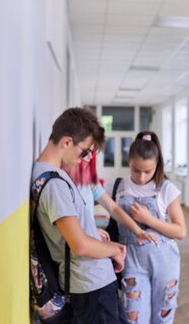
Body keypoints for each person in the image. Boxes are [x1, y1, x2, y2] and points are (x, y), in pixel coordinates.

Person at [32, 107, 127, 323]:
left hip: (94, 281)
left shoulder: (55, 175)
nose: (86, 158)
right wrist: (115, 249)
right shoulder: (54, 184)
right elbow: (80, 245)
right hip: (90, 284)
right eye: (84, 151)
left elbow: (74, 232)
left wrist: (95, 232)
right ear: (67, 142)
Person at [107, 131, 187, 323]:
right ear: (128, 161)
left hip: (165, 261)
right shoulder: (116, 187)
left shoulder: (166, 188)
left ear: (157, 165)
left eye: (148, 171)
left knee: (163, 316)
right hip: (132, 262)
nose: (141, 177)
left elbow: (180, 231)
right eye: (136, 170)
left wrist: (148, 219)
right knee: (133, 316)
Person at [62, 148, 157, 245]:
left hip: (86, 243)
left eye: (92, 152)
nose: (90, 156)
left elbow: (113, 207)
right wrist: (91, 232)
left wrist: (139, 232)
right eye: (86, 151)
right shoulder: (59, 182)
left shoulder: (88, 179)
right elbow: (64, 224)